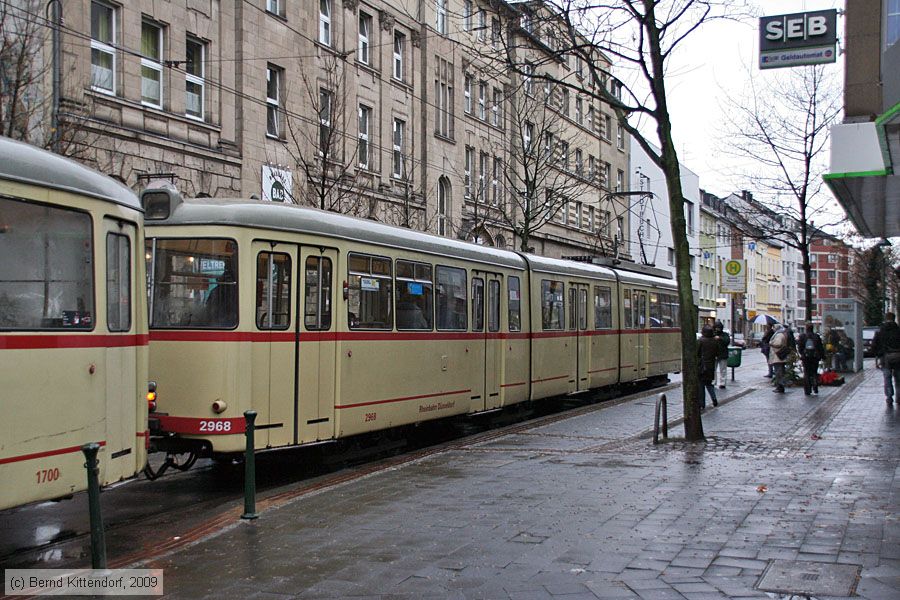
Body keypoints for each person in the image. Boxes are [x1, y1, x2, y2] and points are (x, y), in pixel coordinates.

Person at [872, 312, 900, 405]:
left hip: (885, 358)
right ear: (894, 318)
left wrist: (878, 356)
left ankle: (889, 397)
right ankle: (898, 396)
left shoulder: (881, 331)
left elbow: (874, 345)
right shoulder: (898, 330)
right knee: (898, 377)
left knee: (887, 377)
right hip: (898, 357)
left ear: (885, 318)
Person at [797, 324, 825, 396]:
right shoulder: (816, 336)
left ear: (806, 328)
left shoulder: (802, 336)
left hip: (806, 358)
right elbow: (820, 347)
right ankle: (815, 385)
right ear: (813, 328)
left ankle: (807, 389)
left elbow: (800, 348)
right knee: (814, 372)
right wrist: (822, 356)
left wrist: (802, 354)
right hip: (815, 358)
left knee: (806, 372)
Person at [697, 325, 719, 410]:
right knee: (709, 384)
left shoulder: (700, 341)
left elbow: (696, 353)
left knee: (701, 385)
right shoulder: (714, 341)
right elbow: (717, 353)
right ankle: (714, 399)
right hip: (711, 366)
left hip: (702, 366)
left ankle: (702, 404)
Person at [768, 324, 790, 393]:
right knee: (780, 372)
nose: (773, 329)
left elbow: (778, 343)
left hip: (778, 357)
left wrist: (771, 343)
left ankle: (780, 387)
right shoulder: (781, 334)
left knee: (779, 373)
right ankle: (780, 386)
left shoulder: (779, 335)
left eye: (774, 328)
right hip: (779, 356)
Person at [713, 321, 730, 390]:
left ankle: (722, 383)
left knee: (723, 370)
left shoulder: (725, 335)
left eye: (719, 328)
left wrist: (719, 338)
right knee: (713, 370)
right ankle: (714, 381)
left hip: (722, 354)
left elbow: (727, 341)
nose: (717, 329)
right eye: (716, 328)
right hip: (714, 354)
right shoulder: (712, 334)